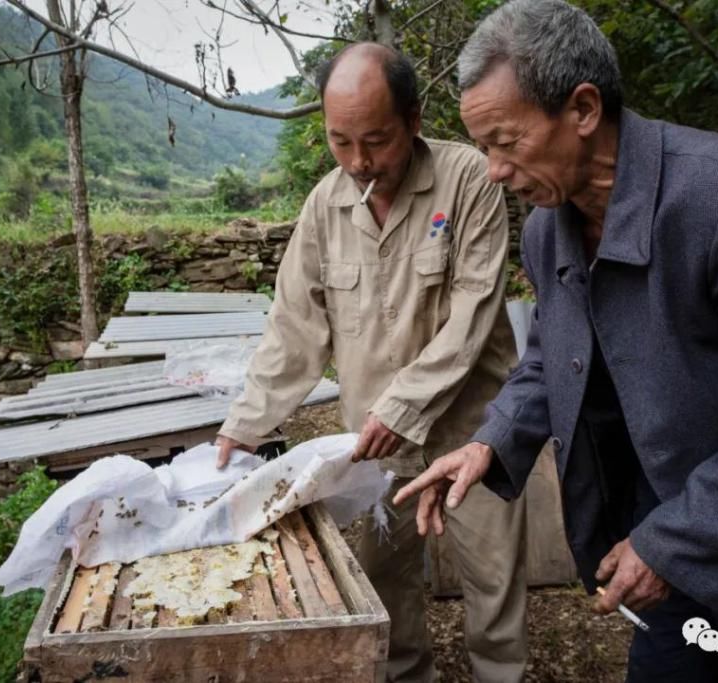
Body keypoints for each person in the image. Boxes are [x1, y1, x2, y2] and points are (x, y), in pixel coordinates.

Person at [393, 2, 718, 682]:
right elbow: (554, 355)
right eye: (483, 147)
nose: (492, 170)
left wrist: (671, 543)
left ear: (582, 109)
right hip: (666, 525)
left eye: (505, 140)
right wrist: (491, 440)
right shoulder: (547, 227)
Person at [216, 43, 529, 682]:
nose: (361, 163)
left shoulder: (468, 179)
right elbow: (292, 331)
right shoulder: (325, 208)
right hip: (376, 447)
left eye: (377, 141)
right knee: (381, 586)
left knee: (494, 585)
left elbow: (472, 316)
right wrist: (242, 428)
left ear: (413, 120)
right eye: (341, 143)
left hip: (476, 434)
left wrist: (402, 405)